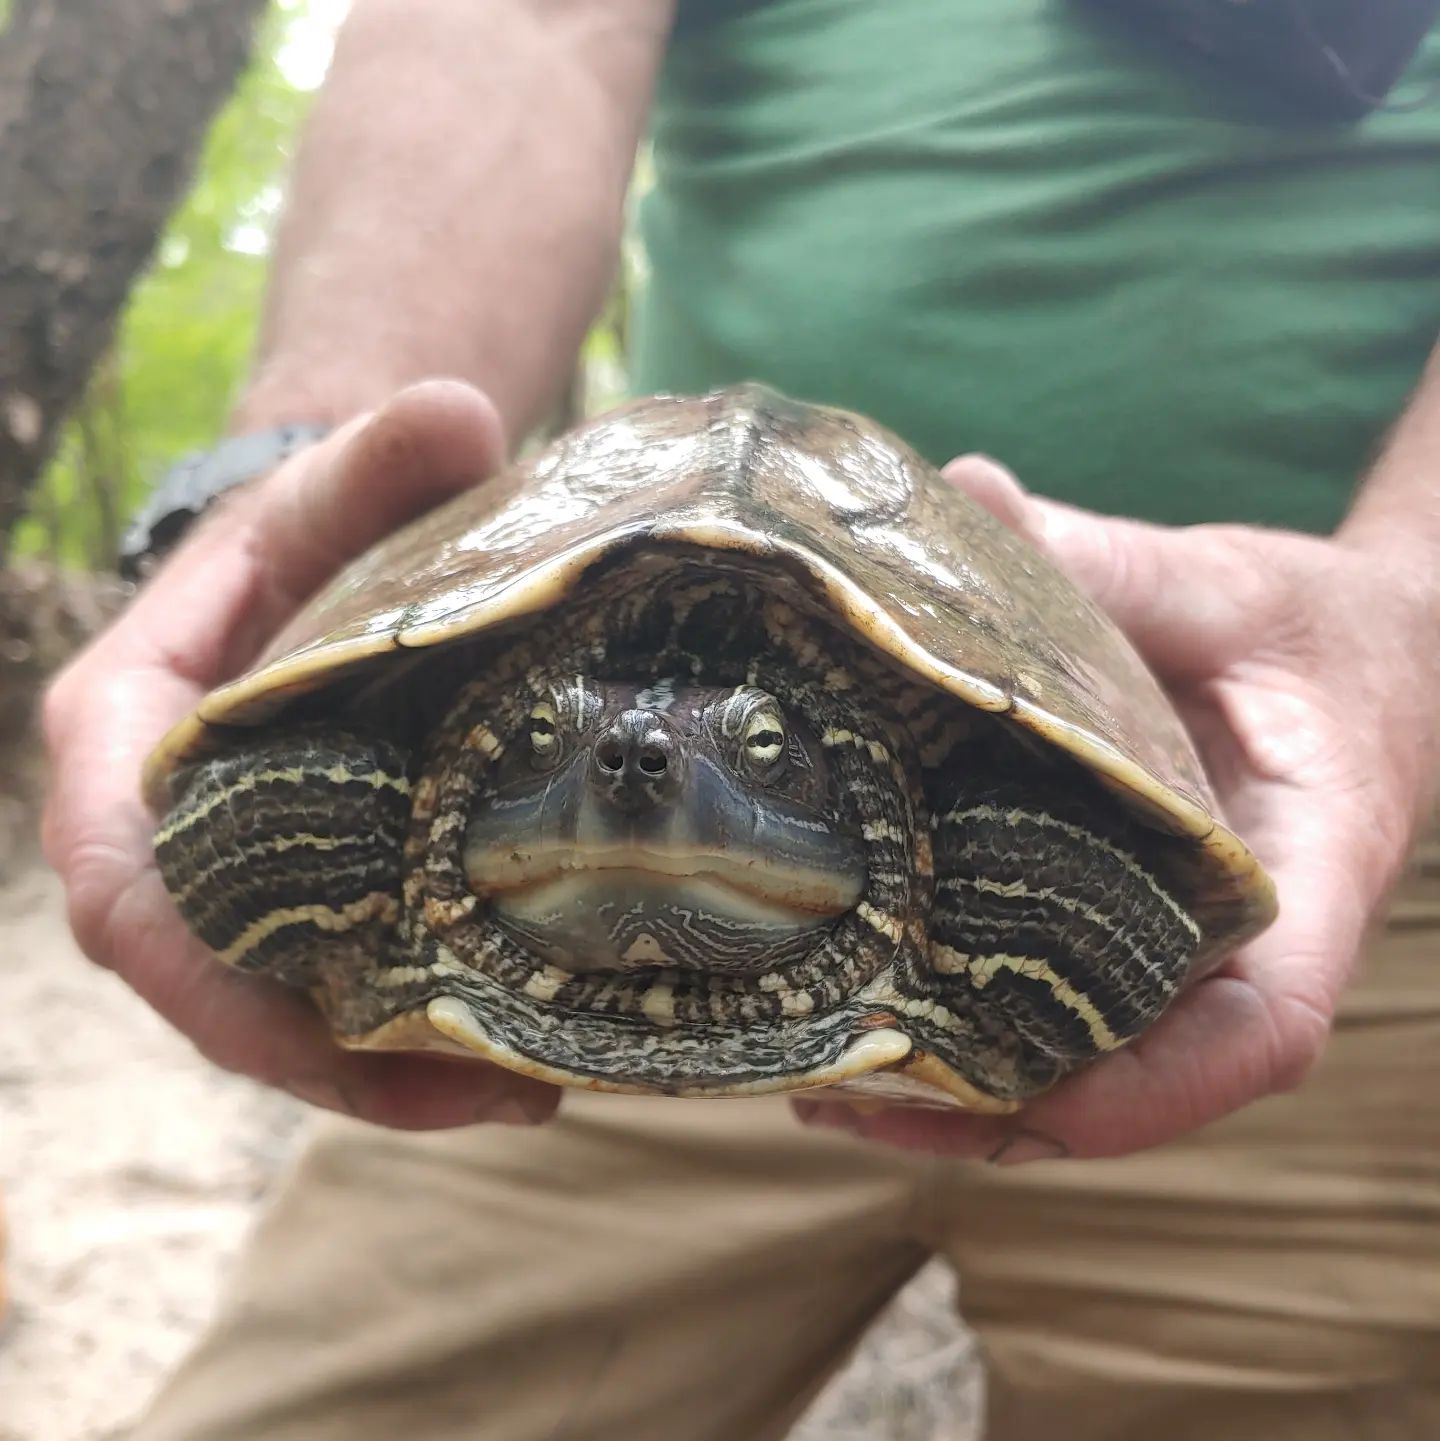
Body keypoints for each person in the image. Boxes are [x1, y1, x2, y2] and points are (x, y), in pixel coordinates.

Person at [44, 1, 1440, 1436]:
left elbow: (1160, 915)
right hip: (510, 1064)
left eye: (754, 759)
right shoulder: (432, 833)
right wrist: (299, 490)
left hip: (1323, 841)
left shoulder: (1045, 880)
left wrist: (1418, 600)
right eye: (550, 751)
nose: (635, 770)